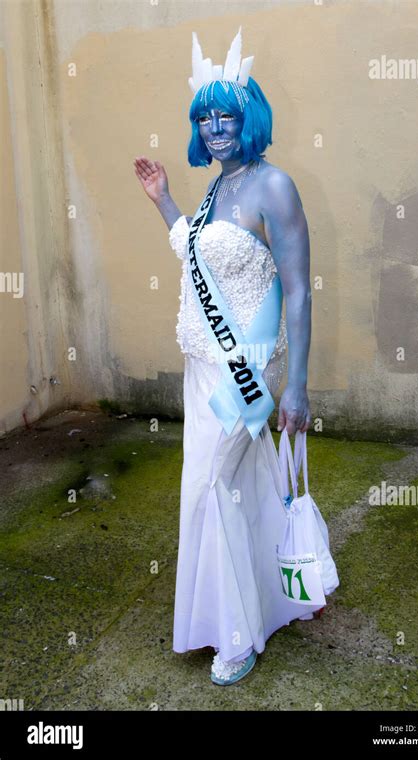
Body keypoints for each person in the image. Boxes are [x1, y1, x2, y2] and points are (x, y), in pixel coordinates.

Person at [133, 27, 329, 686]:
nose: (215, 128)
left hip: (248, 369)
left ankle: (237, 636)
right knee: (232, 486)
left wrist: (296, 387)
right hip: (203, 366)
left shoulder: (275, 187)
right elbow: (199, 261)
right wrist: (164, 203)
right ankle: (279, 592)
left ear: (250, 118)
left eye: (226, 115)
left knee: (213, 484)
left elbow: (299, 291)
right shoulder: (216, 191)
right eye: (204, 117)